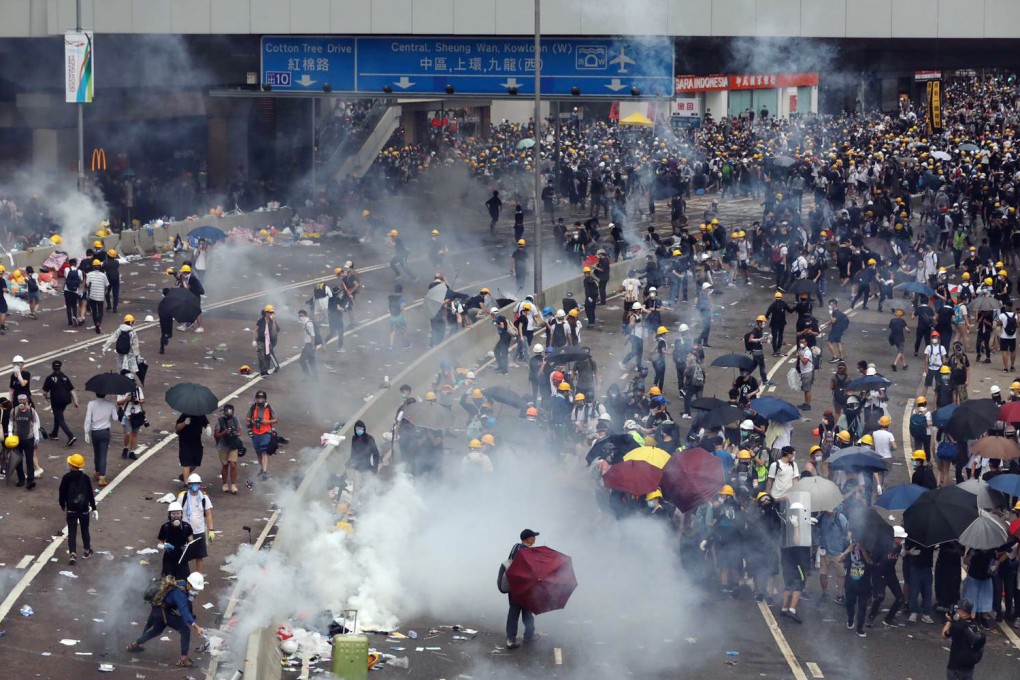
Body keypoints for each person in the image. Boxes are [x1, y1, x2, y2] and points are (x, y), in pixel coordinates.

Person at [126, 571, 205, 668]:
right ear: (189, 583)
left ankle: (134, 645)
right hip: (162, 612)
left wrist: (191, 614)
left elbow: (187, 606)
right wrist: (195, 626)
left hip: (160, 609)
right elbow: (184, 610)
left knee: (156, 630)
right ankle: (183, 659)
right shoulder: (179, 593)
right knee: (185, 630)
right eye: (195, 588)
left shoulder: (182, 584)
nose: (196, 591)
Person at [58, 453, 96, 565]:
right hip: (84, 509)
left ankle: (73, 554)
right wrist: (93, 507)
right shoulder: (85, 478)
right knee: (85, 529)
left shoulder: (66, 477)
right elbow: (90, 493)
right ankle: (87, 550)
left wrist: (62, 504)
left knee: (72, 531)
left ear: (71, 465)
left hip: (71, 509)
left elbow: (62, 492)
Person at [505, 529, 540, 649]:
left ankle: (511, 639)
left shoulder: (516, 547)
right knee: (526, 612)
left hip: (513, 586)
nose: (534, 539)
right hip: (524, 588)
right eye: (533, 537)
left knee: (514, 613)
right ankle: (528, 635)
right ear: (527, 539)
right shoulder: (527, 552)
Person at [176, 474, 214, 573]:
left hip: (199, 531)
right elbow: (177, 513)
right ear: (189, 485)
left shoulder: (204, 497)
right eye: (193, 484)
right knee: (183, 556)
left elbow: (208, 514)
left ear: (200, 485)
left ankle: (198, 577)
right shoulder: (183, 497)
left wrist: (211, 530)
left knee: (199, 556)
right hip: (184, 532)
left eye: (197, 483)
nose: (195, 486)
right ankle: (183, 576)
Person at [942, 599, 986, 680]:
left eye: (958, 609)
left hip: (955, 666)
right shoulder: (975, 625)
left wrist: (949, 621)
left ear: (962, 611)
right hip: (969, 667)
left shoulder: (957, 626)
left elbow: (944, 635)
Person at [838, 539, 873, 637]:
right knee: (850, 603)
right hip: (850, 583)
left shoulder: (868, 549)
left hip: (864, 582)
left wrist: (863, 549)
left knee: (862, 606)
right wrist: (848, 550)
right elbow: (839, 560)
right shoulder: (848, 548)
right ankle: (850, 618)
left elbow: (870, 562)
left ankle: (860, 628)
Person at [83, 392, 117, 487]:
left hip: (95, 432)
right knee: (103, 454)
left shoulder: (91, 404)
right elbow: (115, 418)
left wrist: (86, 432)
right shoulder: (110, 404)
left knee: (96, 453)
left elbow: (88, 419)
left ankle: (97, 471)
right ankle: (102, 476)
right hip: (105, 432)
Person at [7, 393, 39, 490]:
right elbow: (11, 423)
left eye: (24, 400)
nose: (22, 402)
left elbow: (36, 423)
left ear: (27, 400)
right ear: (18, 401)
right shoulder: (14, 411)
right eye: (20, 400)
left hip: (29, 438)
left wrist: (36, 437)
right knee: (18, 460)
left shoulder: (31, 411)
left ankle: (30, 480)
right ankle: (21, 479)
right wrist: (10, 435)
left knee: (29, 460)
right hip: (17, 440)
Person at [42, 360, 78, 446]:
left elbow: (44, 391)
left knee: (60, 419)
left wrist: (46, 397)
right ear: (60, 367)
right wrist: (75, 401)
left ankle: (70, 436)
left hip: (56, 400)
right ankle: (54, 433)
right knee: (58, 415)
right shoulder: (65, 377)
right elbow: (72, 390)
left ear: (52, 367)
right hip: (65, 400)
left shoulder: (50, 378)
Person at [156, 501, 194, 579]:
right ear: (169, 515)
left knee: (184, 580)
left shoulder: (186, 526)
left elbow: (192, 542)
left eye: (178, 513)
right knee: (168, 581)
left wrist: (187, 548)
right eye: (173, 514)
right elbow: (160, 543)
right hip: (169, 558)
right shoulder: (165, 527)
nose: (176, 516)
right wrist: (164, 547)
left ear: (181, 514)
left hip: (182, 558)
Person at [247, 389, 277, 480]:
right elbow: (248, 418)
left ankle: (264, 471)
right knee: (259, 452)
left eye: (262, 398)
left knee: (264, 451)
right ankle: (261, 469)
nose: (260, 400)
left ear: (265, 399)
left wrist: (266, 422)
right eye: (258, 398)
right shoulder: (253, 407)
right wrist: (252, 421)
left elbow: (275, 419)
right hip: (256, 433)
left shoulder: (269, 408)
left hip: (266, 432)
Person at [116, 371, 145, 461]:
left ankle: (132, 451)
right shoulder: (122, 390)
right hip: (126, 414)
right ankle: (125, 447)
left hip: (136, 414)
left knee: (134, 434)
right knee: (128, 433)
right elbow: (118, 403)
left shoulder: (137, 389)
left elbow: (143, 400)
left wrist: (137, 400)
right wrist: (126, 399)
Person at [214, 404, 242, 494]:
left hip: (233, 445)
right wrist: (224, 432)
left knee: (233, 464)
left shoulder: (235, 419)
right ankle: (225, 483)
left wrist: (234, 433)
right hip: (223, 445)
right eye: (227, 411)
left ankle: (233, 484)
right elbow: (216, 434)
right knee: (225, 465)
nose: (229, 413)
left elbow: (239, 431)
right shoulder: (220, 421)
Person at [175, 411, 210, 483]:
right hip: (185, 442)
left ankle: (184, 475)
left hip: (196, 442)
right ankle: (186, 483)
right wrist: (184, 423)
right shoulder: (185, 415)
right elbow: (177, 427)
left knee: (196, 462)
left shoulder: (201, 415)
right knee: (186, 462)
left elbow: (206, 423)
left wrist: (208, 427)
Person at [348, 419, 380, 488]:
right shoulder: (354, 438)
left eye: (361, 429)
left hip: (367, 468)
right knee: (357, 488)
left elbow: (376, 454)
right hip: (357, 468)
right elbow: (353, 453)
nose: (359, 430)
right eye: (357, 429)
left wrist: (375, 467)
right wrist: (350, 462)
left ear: (364, 429)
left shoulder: (369, 439)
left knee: (366, 487)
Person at [252, 304, 280, 376]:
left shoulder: (272, 321)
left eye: (272, 313)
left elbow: (276, 330)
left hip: (269, 341)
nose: (271, 314)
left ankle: (270, 367)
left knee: (268, 355)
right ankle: (263, 370)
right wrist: (254, 340)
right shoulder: (261, 321)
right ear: (266, 313)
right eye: (270, 313)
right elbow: (255, 330)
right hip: (261, 340)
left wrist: (274, 321)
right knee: (261, 355)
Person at [84, 259, 109, 334]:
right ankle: (99, 323)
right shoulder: (103, 275)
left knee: (94, 311)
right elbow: (107, 285)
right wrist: (104, 291)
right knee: (100, 311)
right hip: (100, 296)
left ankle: (96, 324)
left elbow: (87, 284)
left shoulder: (89, 274)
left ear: (93, 267)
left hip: (92, 296)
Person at [297, 309, 318, 379]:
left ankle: (308, 375)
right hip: (308, 344)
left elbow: (313, 335)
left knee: (302, 360)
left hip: (309, 345)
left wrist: (313, 345)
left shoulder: (309, 324)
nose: (300, 317)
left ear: (306, 315)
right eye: (299, 316)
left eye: (302, 316)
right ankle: (315, 377)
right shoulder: (305, 323)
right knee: (311, 361)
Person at [997, 302, 1018, 372]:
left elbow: (998, 324)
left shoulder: (1002, 315)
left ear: (1006, 306)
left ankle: (1005, 367)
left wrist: (1003, 324)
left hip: (1004, 336)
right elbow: (1017, 325)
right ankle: (1012, 366)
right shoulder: (1015, 315)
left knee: (1005, 351)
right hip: (1013, 336)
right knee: (1013, 351)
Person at [388, 284, 410, 350]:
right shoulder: (401, 298)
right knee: (404, 331)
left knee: (392, 332)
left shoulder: (391, 298)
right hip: (400, 317)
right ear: (401, 290)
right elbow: (402, 308)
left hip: (392, 317)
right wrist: (405, 318)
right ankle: (406, 345)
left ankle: (391, 346)